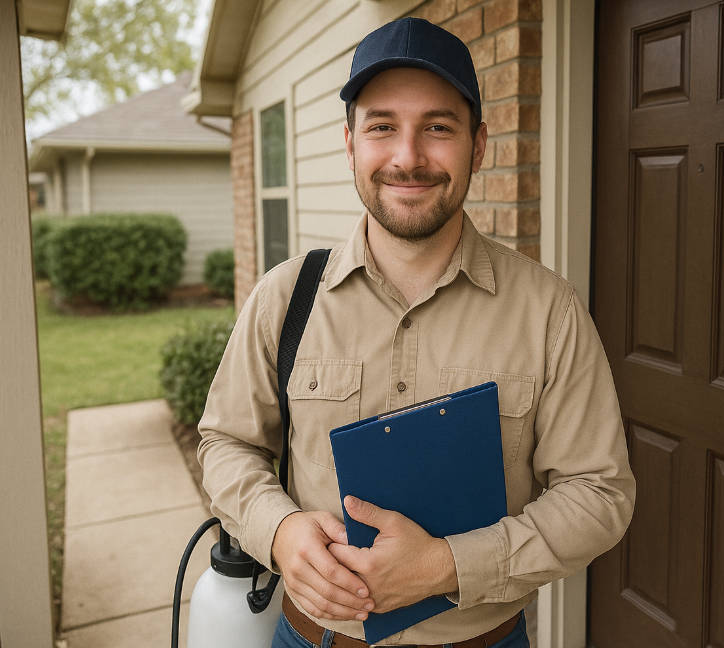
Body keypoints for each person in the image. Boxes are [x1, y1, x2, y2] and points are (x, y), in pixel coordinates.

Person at [197, 16, 635, 648]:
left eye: (438, 127)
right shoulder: (284, 299)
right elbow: (225, 442)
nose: (408, 157)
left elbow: (599, 493)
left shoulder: (549, 311)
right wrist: (279, 529)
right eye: (382, 127)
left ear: (478, 146)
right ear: (350, 143)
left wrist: (447, 565)